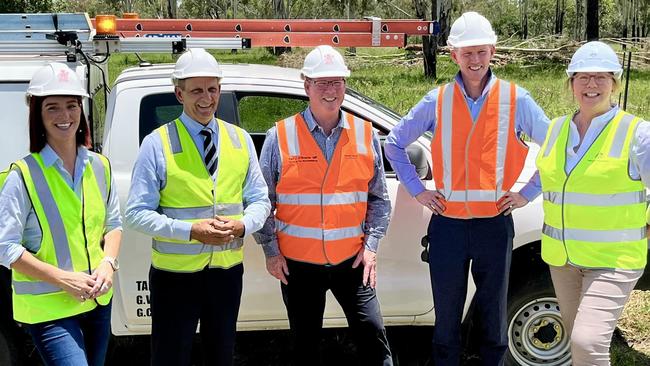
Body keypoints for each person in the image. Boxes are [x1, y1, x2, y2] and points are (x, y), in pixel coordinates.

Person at [385, 12, 551, 366]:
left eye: (480, 52)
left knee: (493, 322)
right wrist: (417, 190)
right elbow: (394, 144)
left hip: (494, 226)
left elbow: (556, 147)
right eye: (466, 53)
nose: (474, 61)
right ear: (452, 55)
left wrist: (527, 193)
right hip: (448, 228)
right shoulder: (437, 100)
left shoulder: (516, 99)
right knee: (446, 324)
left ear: (492, 50)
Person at [124, 48, 270, 366]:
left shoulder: (240, 140)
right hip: (175, 276)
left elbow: (260, 200)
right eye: (196, 91)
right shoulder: (157, 143)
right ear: (179, 93)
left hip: (226, 273)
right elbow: (136, 212)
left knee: (221, 356)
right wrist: (191, 231)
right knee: (170, 357)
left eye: (212, 89)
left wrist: (244, 224)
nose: (206, 98)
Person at [253, 45, 393, 366]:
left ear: (345, 85)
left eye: (337, 82)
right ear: (306, 86)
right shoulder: (281, 136)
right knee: (306, 346)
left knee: (373, 335)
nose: (330, 91)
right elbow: (262, 200)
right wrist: (271, 251)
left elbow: (378, 199)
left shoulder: (365, 134)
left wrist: (371, 246)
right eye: (321, 83)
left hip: (352, 263)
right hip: (299, 267)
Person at [0, 62, 122, 366]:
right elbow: (6, 247)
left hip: (96, 300)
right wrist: (64, 280)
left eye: (71, 106)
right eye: (52, 108)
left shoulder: (100, 166)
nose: (64, 116)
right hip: (49, 308)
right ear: (38, 116)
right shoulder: (23, 175)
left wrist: (107, 264)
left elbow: (114, 224)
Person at [536, 41, 648, 365]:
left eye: (601, 77)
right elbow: (548, 177)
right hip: (563, 259)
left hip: (613, 260)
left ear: (615, 83)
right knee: (577, 344)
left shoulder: (636, 133)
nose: (591, 85)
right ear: (571, 83)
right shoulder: (557, 129)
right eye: (583, 77)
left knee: (587, 344)